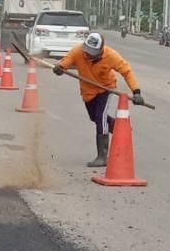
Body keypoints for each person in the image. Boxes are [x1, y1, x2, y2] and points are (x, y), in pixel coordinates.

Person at [52, 32, 142, 168]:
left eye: (92, 53)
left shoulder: (111, 55)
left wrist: (136, 92)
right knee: (94, 117)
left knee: (100, 117)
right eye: (87, 51)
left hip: (105, 88)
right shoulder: (78, 51)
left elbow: (127, 72)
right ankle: (120, 127)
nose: (88, 55)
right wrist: (59, 69)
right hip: (88, 91)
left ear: (100, 50)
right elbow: (64, 64)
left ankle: (102, 156)